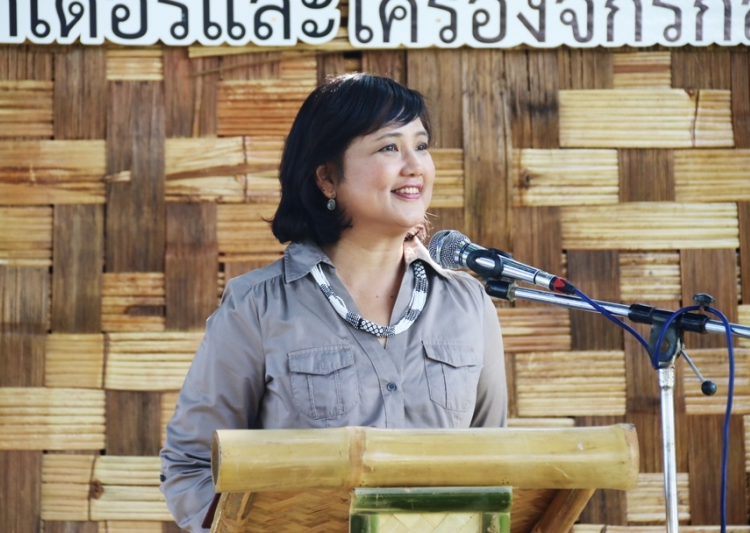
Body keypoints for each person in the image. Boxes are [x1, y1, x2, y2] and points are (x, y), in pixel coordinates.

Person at [160, 73, 507, 532]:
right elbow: (191, 465)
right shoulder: (258, 306)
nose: (415, 166)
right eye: (389, 147)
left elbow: (495, 463)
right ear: (327, 177)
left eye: (421, 146)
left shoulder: (468, 304)